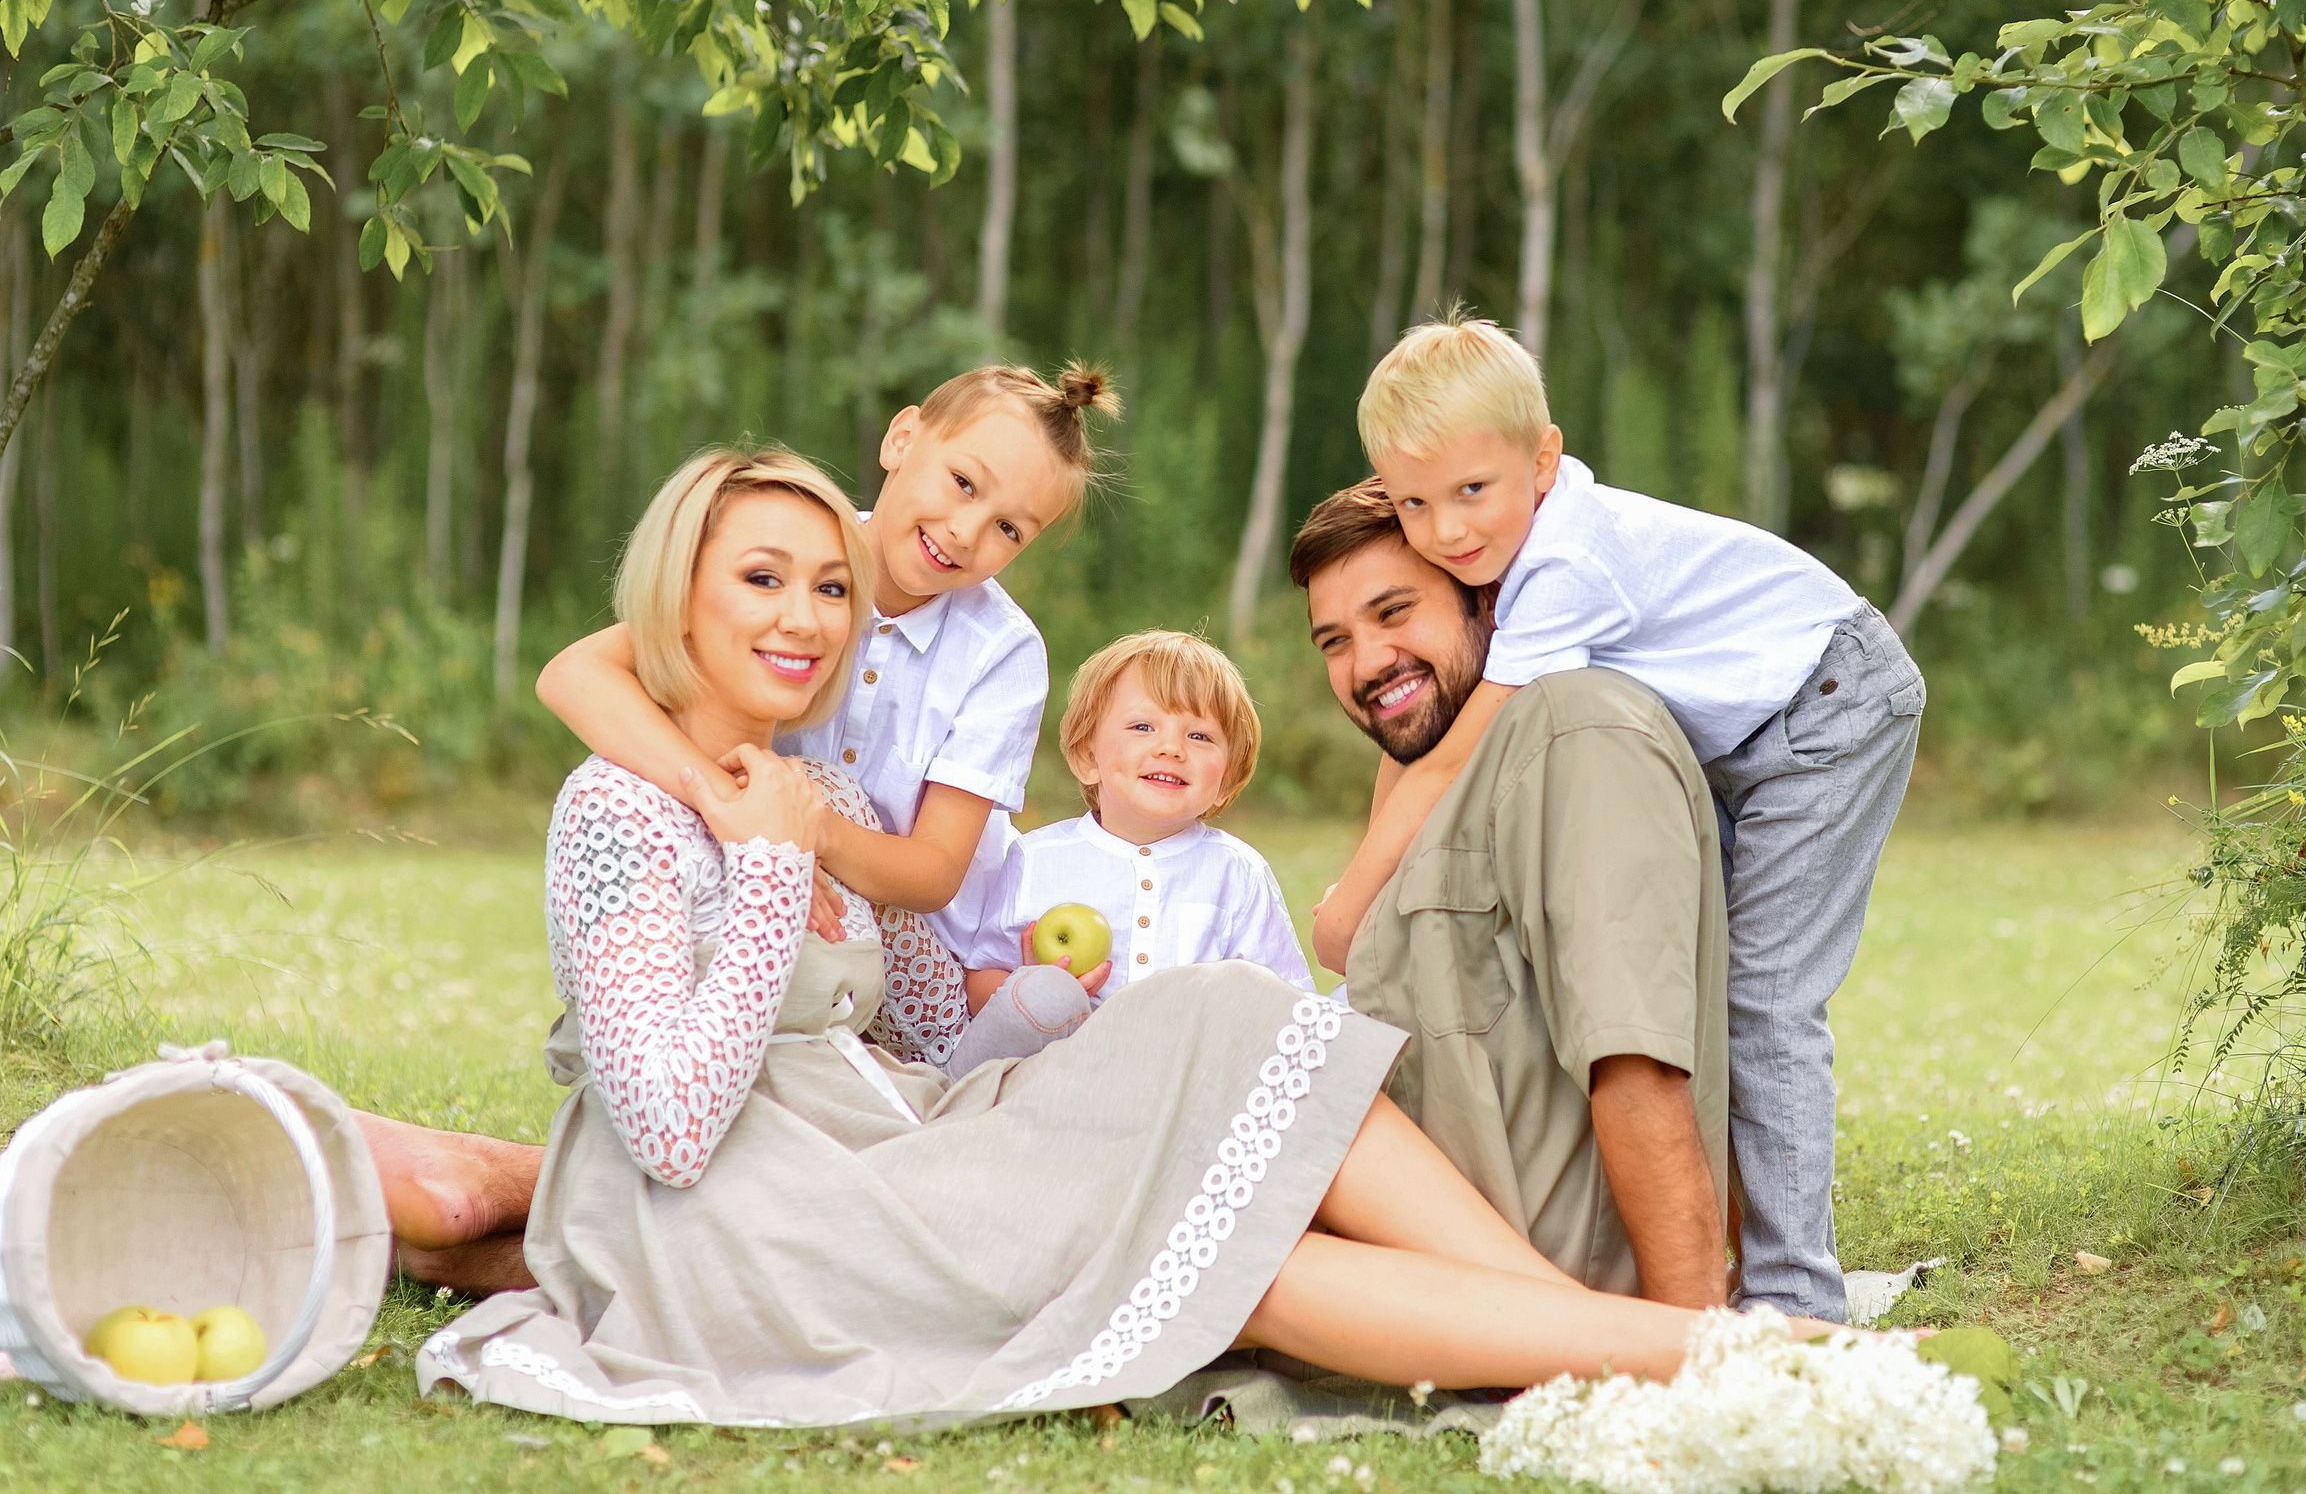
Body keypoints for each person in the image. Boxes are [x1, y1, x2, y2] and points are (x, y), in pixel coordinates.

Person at [407, 443, 1839, 1428]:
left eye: (830, 587)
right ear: (678, 593)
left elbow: (923, 1031)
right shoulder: (616, 811)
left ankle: (1596, 1344)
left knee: (1223, 1010)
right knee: (1223, 1256)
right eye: (762, 580)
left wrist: (1041, 1008)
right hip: (757, 1226)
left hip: (893, 1145)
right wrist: (778, 868)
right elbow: (664, 1127)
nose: (806, 618)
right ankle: (1690, 1354)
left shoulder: (825, 790)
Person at [1306, 315, 1926, 1324]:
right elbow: (1425, 740)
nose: (1448, 531)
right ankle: (1730, 1257)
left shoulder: (1561, 566)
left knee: (1765, 1000)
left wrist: (1348, 905)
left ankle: (1794, 1297)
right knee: (1694, 981)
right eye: (1415, 503)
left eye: (1471, 490)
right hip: (1750, 731)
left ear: (1543, 457)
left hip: (1826, 704)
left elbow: (1460, 749)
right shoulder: (1503, 551)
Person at [537, 364, 1124, 1063]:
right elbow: (574, 674)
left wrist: (808, 834)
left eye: (1008, 528)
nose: (966, 532)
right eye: (963, 483)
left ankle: (956, 1069)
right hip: (777, 885)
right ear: (903, 437)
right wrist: (731, 806)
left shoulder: (1003, 650)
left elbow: (935, 873)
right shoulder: (800, 552)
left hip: (923, 935)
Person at [1288, 483, 1734, 1311]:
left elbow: (1635, 1055)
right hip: (1422, 1248)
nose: (1366, 663)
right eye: (1335, 641)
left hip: (1549, 1282)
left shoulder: (1579, 732)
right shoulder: (1450, 770)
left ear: (1488, 599)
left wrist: (1692, 1343)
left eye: (1395, 611)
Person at [968, 630, 1314, 1009]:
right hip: (1065, 1060)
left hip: (1191, 1063)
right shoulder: (1036, 858)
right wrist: (1030, 992)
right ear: (1088, 755)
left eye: (1199, 735)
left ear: (1226, 778)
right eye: (1143, 727)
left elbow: (1289, 999)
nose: (1171, 748)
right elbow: (983, 978)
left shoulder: (1238, 872)